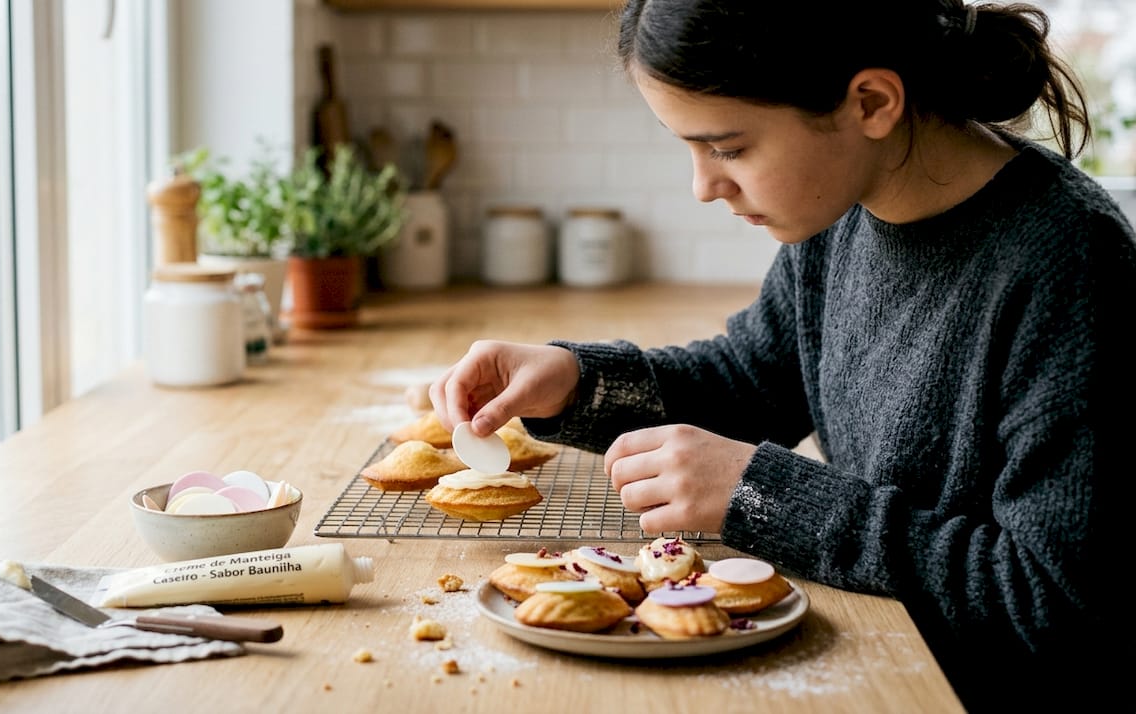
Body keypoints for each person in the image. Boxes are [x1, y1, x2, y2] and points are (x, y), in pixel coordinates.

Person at [431, 1, 1133, 709]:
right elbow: (752, 380)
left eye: (728, 148)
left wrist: (765, 496)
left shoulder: (1070, 264)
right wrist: (577, 382)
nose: (703, 187)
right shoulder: (846, 205)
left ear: (871, 102)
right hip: (882, 657)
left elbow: (1056, 604)